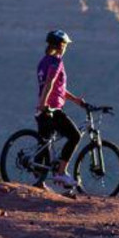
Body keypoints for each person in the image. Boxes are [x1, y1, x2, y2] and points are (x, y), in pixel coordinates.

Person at [36, 29, 87, 188]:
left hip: (42, 109)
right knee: (75, 136)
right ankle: (61, 173)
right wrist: (44, 104)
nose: (65, 48)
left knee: (45, 145)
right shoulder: (56, 62)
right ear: (60, 46)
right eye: (65, 45)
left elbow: (58, 89)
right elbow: (50, 83)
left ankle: (39, 181)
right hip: (51, 109)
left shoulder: (44, 61)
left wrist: (75, 100)